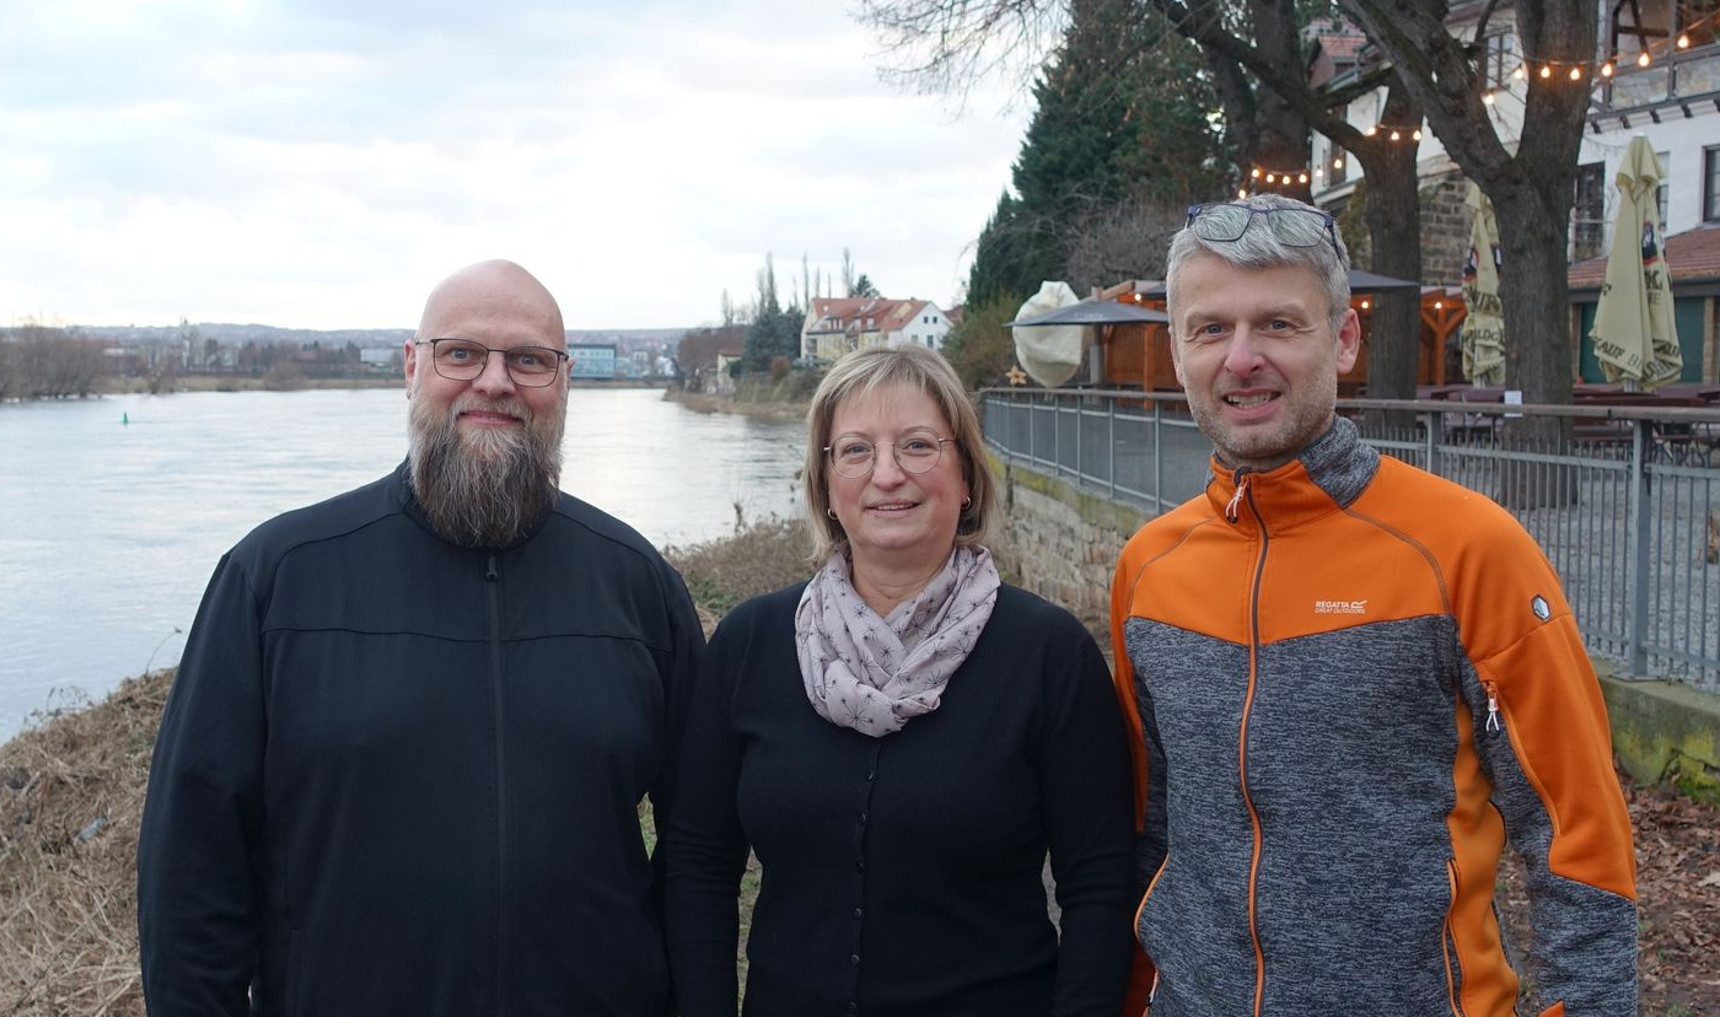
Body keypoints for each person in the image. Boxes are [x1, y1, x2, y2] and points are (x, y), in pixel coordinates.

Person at [1110, 194, 1638, 1016]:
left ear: (1345, 339)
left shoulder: (1469, 550)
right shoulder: (1148, 571)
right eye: (1210, 329)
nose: (1242, 358)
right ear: (1178, 352)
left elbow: (1578, 833)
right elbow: (1150, 832)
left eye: (1278, 324)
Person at [137, 260, 702, 1017]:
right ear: (412, 368)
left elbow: (698, 851)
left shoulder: (638, 588)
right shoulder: (278, 580)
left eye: (528, 359)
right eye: (460, 353)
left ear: (564, 381)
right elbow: (190, 867)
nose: (494, 382)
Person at [666, 345, 1136, 1017]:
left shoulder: (1048, 655)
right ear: (826, 486)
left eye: (917, 445)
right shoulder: (751, 643)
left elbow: (1099, 882)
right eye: (856, 450)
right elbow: (699, 860)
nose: (887, 474)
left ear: (966, 475)